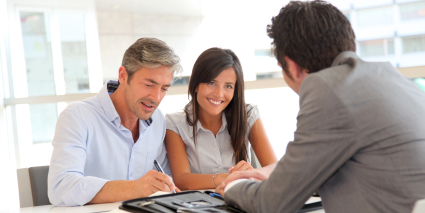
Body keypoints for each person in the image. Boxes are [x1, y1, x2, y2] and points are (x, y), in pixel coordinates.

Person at [215, 1, 425, 213]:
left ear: (293, 67)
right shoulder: (393, 78)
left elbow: (270, 203)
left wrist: (233, 186)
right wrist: (277, 174)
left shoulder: (328, 88)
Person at [48, 38, 182, 206]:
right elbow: (61, 188)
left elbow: (163, 184)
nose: (156, 97)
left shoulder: (157, 121)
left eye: (164, 89)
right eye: (149, 85)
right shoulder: (77, 116)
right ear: (123, 75)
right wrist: (134, 189)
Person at [164, 48, 278, 190]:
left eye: (228, 86)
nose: (219, 94)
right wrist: (223, 178)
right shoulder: (174, 124)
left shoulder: (248, 115)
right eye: (211, 83)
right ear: (196, 85)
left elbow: (274, 168)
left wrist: (252, 173)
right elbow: (181, 179)